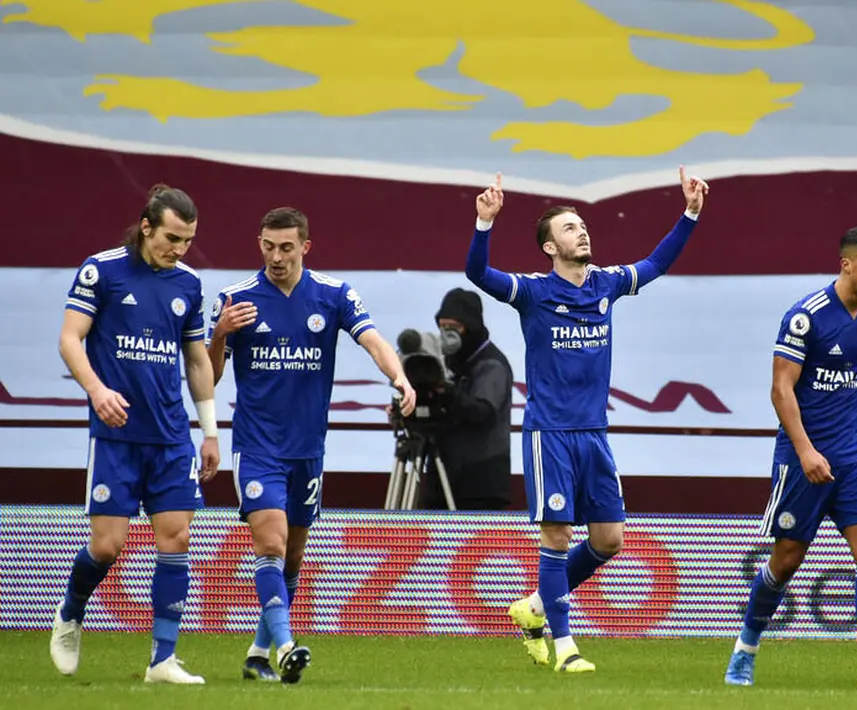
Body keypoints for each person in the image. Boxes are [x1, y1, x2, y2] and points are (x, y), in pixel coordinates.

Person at [465, 168, 707, 672]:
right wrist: (484, 225)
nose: (582, 231)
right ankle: (565, 646)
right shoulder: (532, 292)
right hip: (549, 433)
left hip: (594, 435)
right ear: (550, 248)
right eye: (570, 228)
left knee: (608, 539)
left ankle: (533, 608)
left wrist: (690, 214)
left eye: (582, 225)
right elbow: (478, 275)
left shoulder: (606, 283)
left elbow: (657, 263)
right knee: (556, 536)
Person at [207, 207, 416, 683]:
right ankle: (286, 646)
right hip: (257, 447)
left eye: (285, 247)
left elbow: (373, 341)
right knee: (271, 543)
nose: (276, 257)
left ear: (306, 246)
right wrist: (220, 334)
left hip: (308, 450)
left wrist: (399, 375)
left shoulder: (334, 294)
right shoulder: (235, 299)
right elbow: (209, 373)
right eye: (267, 246)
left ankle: (259, 654)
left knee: (294, 556)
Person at [724, 227, 857, 689]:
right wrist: (805, 450)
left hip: (855, 456)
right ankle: (745, 650)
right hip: (805, 458)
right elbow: (780, 389)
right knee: (788, 557)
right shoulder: (806, 317)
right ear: (846, 264)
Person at [51, 184, 219, 684]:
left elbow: (196, 361)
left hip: (171, 436)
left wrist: (209, 431)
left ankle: (162, 660)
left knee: (177, 537)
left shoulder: (189, 284)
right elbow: (69, 339)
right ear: (147, 227)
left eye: (188, 240)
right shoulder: (101, 271)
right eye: (172, 237)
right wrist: (98, 390)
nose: (179, 249)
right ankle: (71, 612)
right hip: (116, 435)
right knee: (107, 546)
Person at [417, 287, 514, 510]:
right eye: (442, 327)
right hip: (443, 477)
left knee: (477, 546)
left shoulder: (492, 364)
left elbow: (480, 411)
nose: (447, 334)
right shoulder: (446, 361)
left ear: (471, 327)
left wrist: (446, 391)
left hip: (481, 484)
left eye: (454, 327)